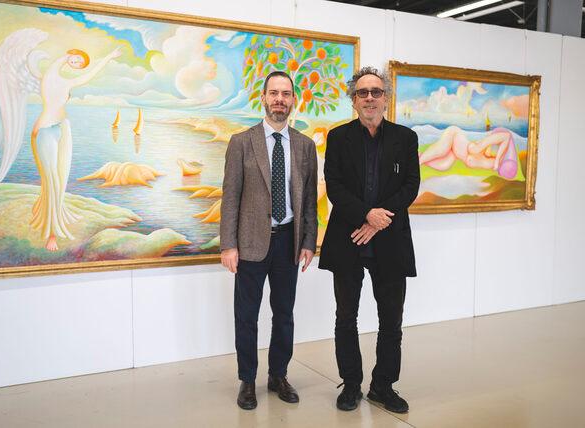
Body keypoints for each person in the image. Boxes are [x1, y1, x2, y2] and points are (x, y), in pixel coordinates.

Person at [318, 67, 420, 414]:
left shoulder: (405, 138)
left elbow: (410, 186)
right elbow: (334, 187)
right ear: (354, 100)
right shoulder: (338, 137)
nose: (370, 98)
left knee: (391, 320)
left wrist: (377, 221)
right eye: (363, 92)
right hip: (348, 238)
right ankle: (351, 384)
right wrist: (366, 215)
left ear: (386, 98)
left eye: (376, 92)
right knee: (346, 317)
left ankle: (382, 386)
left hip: (390, 241)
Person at [220, 71, 318, 410]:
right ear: (263, 98)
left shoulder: (305, 146)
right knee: (246, 315)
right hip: (249, 243)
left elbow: (309, 201)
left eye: (285, 94)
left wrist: (309, 241)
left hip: (288, 242)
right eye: (274, 93)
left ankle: (278, 375)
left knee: (284, 314)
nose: (279, 99)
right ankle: (247, 379)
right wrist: (228, 245)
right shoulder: (241, 142)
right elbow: (230, 197)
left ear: (293, 100)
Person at [30, 47, 121, 250]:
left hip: (63, 127)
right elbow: (56, 66)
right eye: (77, 59)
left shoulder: (66, 82)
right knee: (52, 180)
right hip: (45, 131)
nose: (77, 64)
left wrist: (108, 56)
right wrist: (66, 56)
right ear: (72, 53)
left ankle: (49, 212)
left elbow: (90, 74)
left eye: (80, 64)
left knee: (60, 178)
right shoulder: (49, 75)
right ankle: (51, 234)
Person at [419, 125, 518, 179]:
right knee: (442, 150)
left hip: (456, 152)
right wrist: (496, 160)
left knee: (444, 165)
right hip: (454, 135)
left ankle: (418, 157)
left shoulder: (493, 163)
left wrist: (497, 161)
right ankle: (418, 161)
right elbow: (506, 136)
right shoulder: (487, 148)